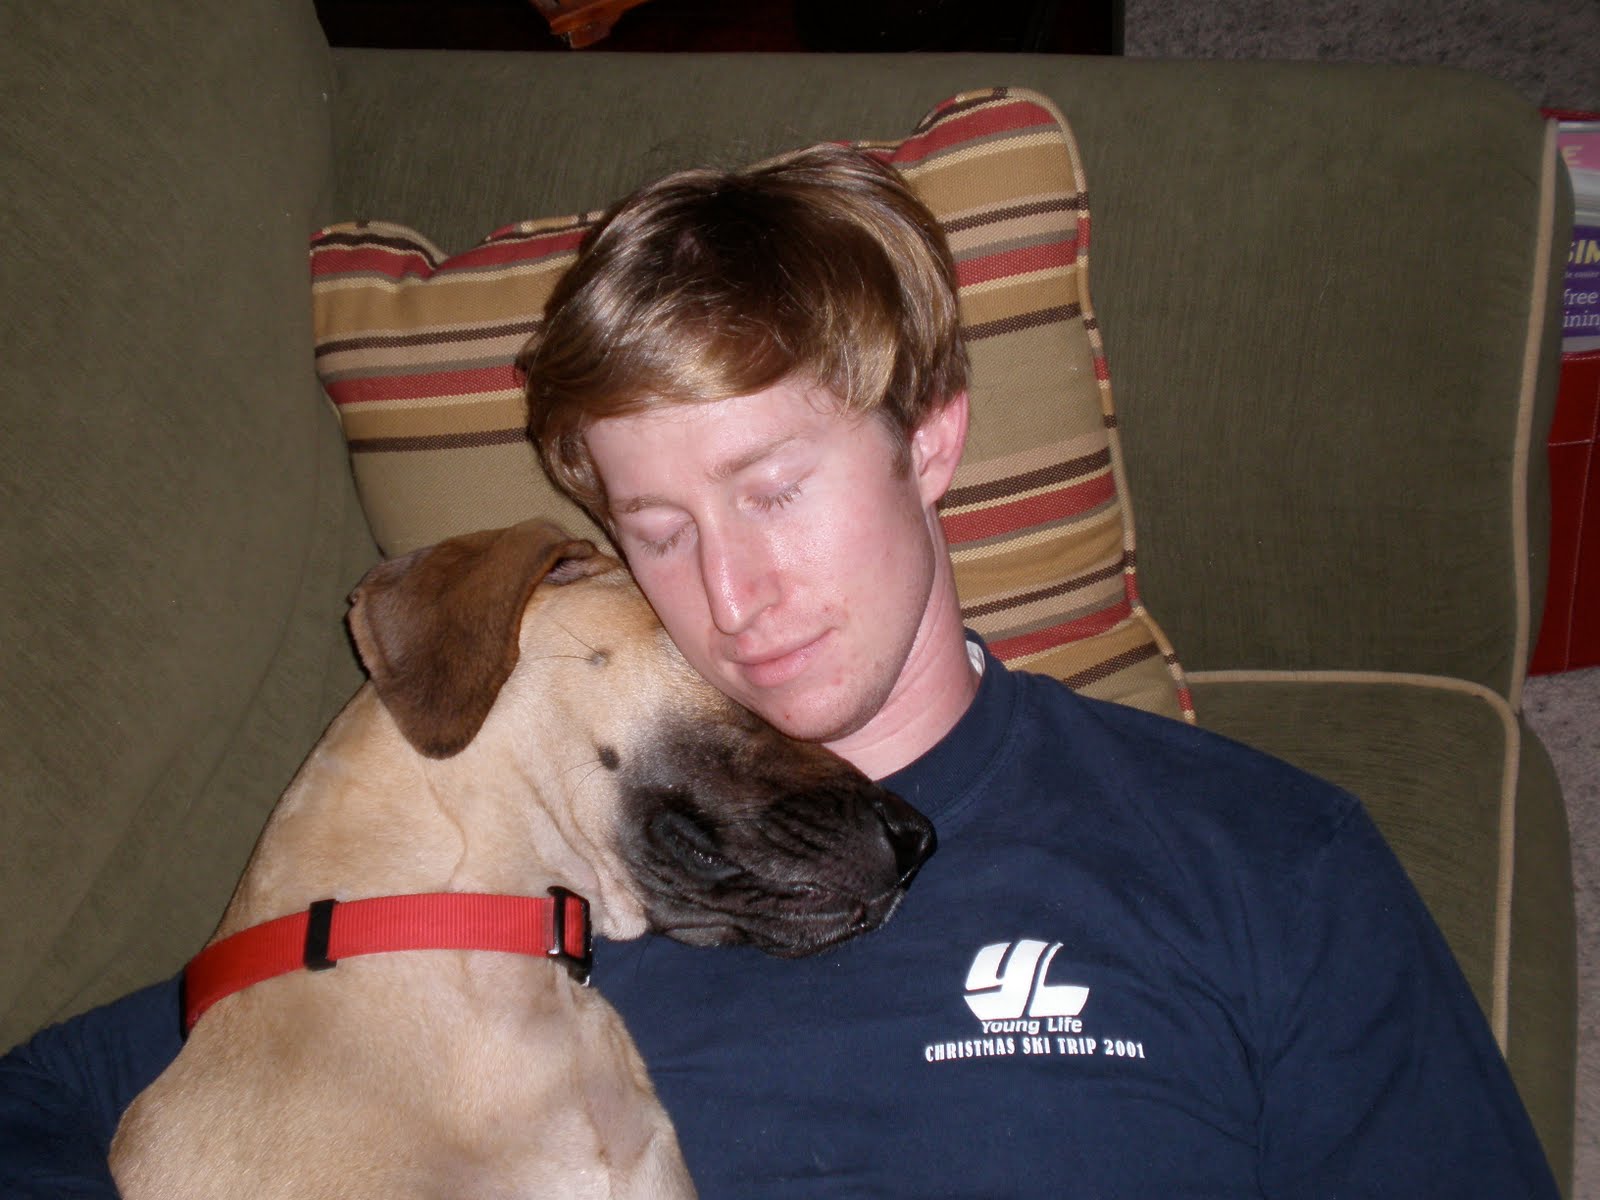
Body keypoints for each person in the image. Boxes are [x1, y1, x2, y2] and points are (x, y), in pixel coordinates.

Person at [0, 144, 1560, 1197]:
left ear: (928, 439)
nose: (732, 594)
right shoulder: (543, 876)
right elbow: (64, 1105)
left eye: (775, 489)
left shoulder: (1262, 856)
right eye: (658, 530)